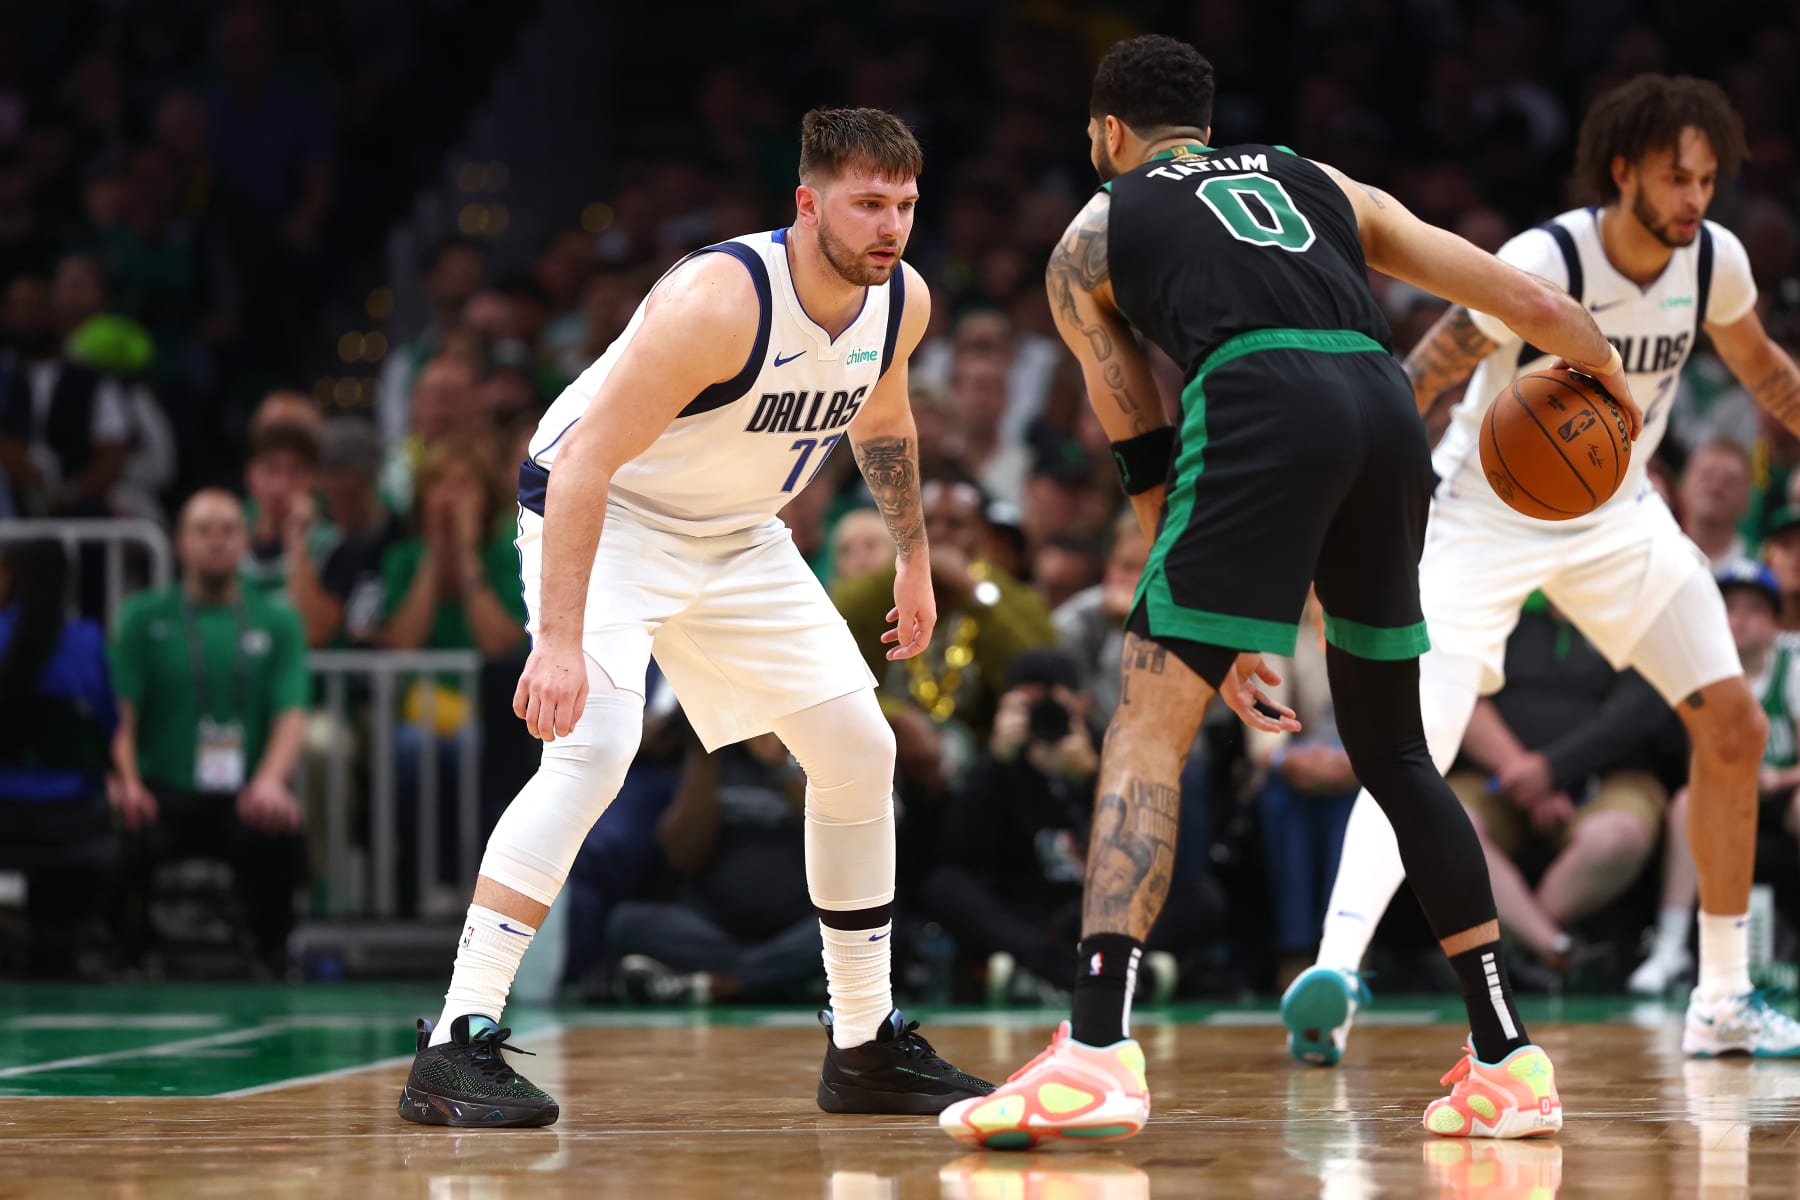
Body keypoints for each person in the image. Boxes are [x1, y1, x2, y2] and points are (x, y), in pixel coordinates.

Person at [941, 34, 1641, 1148]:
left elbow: (1142, 452)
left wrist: (1204, 643)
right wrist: (1609, 390)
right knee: (1398, 753)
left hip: (1259, 397)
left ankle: (1093, 1050)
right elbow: (1523, 298)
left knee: (1144, 724)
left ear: (1107, 134)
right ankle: (1509, 1062)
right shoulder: (1323, 181)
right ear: (1210, 128)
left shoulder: (1090, 237)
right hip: (1380, 403)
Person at [398, 107, 992, 1129]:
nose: (889, 226)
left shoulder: (903, 302)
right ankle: (456, 1039)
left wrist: (913, 558)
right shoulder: (720, 299)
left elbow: (885, 422)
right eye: (866, 204)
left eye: (903, 204)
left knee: (860, 748)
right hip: (611, 509)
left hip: (738, 533)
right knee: (593, 749)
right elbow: (583, 461)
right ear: (809, 205)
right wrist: (558, 640)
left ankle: (863, 1046)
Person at [1291, 73, 1800, 1069]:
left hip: (1620, 520)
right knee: (1413, 743)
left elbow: (1767, 372)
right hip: (1482, 516)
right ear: (1624, 170)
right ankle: (1336, 974)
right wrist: (1360, 492)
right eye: (1675, 177)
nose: (1696, 198)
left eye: (1708, 179)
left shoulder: (1716, 265)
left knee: (1732, 725)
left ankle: (1724, 996)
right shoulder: (1544, 258)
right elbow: (1430, 369)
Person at [107, 489, 309, 969]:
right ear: (180, 543)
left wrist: (271, 781)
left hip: (242, 792)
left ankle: (272, 952)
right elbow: (122, 713)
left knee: (279, 831)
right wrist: (127, 781)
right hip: (162, 790)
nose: (215, 541)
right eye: (202, 530)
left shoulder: (278, 620)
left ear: (244, 541)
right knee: (118, 828)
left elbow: (291, 711)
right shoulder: (141, 616)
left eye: (227, 530)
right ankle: (128, 955)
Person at [1632, 560, 1799, 992]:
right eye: (1729, 608)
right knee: (1688, 801)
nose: (1739, 618)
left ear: (1775, 623)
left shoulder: (1793, 665)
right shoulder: (1700, 669)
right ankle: (1670, 949)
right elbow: (1698, 759)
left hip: (1783, 789)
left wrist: (1777, 780)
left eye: (1753, 609)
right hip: (1727, 789)